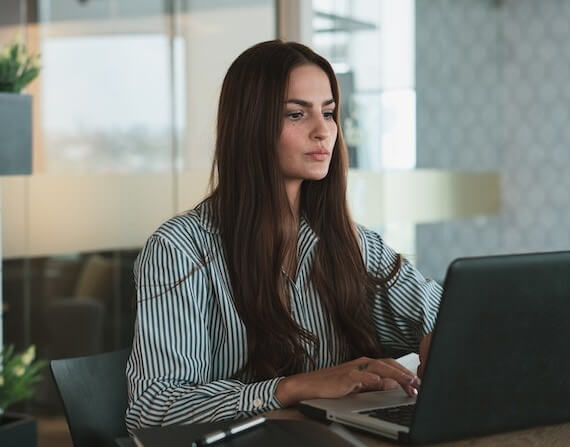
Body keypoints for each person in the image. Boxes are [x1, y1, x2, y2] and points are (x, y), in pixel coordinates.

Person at [125, 40, 442, 433]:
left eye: (328, 113)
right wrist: (292, 388)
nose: (322, 131)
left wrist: (442, 336)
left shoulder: (352, 243)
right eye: (296, 114)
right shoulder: (180, 249)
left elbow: (442, 312)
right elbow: (154, 409)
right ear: (251, 126)